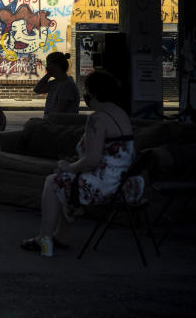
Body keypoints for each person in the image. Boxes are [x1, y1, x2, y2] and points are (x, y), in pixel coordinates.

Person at [21, 70, 136, 256]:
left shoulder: (97, 119)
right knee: (65, 178)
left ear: (95, 93)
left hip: (107, 185)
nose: (85, 95)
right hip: (125, 181)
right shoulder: (121, 113)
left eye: (87, 90)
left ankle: (45, 238)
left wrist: (69, 167)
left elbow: (91, 160)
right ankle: (61, 235)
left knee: (53, 181)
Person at [33, 51, 80, 115]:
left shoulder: (67, 85)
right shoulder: (55, 83)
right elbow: (37, 90)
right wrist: (48, 75)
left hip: (61, 124)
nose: (47, 67)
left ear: (56, 66)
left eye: (48, 64)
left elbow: (59, 112)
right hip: (53, 122)